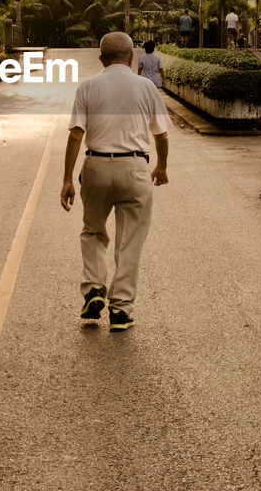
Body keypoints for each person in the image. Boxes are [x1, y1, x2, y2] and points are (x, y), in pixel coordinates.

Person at [60, 32, 170, 332]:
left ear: (101, 59)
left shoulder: (88, 87)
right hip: (135, 167)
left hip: (95, 166)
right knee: (130, 241)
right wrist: (161, 167)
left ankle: (94, 289)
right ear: (131, 57)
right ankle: (120, 310)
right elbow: (161, 135)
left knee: (93, 231)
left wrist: (67, 179)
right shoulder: (146, 86)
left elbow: (75, 135)